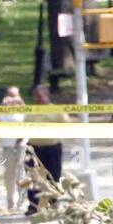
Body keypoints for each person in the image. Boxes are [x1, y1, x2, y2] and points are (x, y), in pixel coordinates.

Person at [24, 84, 67, 215]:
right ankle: (33, 205)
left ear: (47, 96)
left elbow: (67, 125)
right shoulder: (31, 110)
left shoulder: (57, 110)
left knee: (53, 176)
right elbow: (24, 126)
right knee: (33, 177)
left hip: (52, 148)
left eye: (40, 96)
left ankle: (54, 203)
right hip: (34, 149)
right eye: (36, 96)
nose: (38, 99)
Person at [0, 86, 26, 212]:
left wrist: (21, 103)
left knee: (22, 174)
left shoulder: (23, 110)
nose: (12, 100)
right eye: (10, 95)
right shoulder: (2, 111)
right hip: (7, 146)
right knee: (9, 175)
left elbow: (29, 121)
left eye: (15, 96)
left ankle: (22, 201)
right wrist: (2, 106)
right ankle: (10, 201)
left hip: (21, 145)